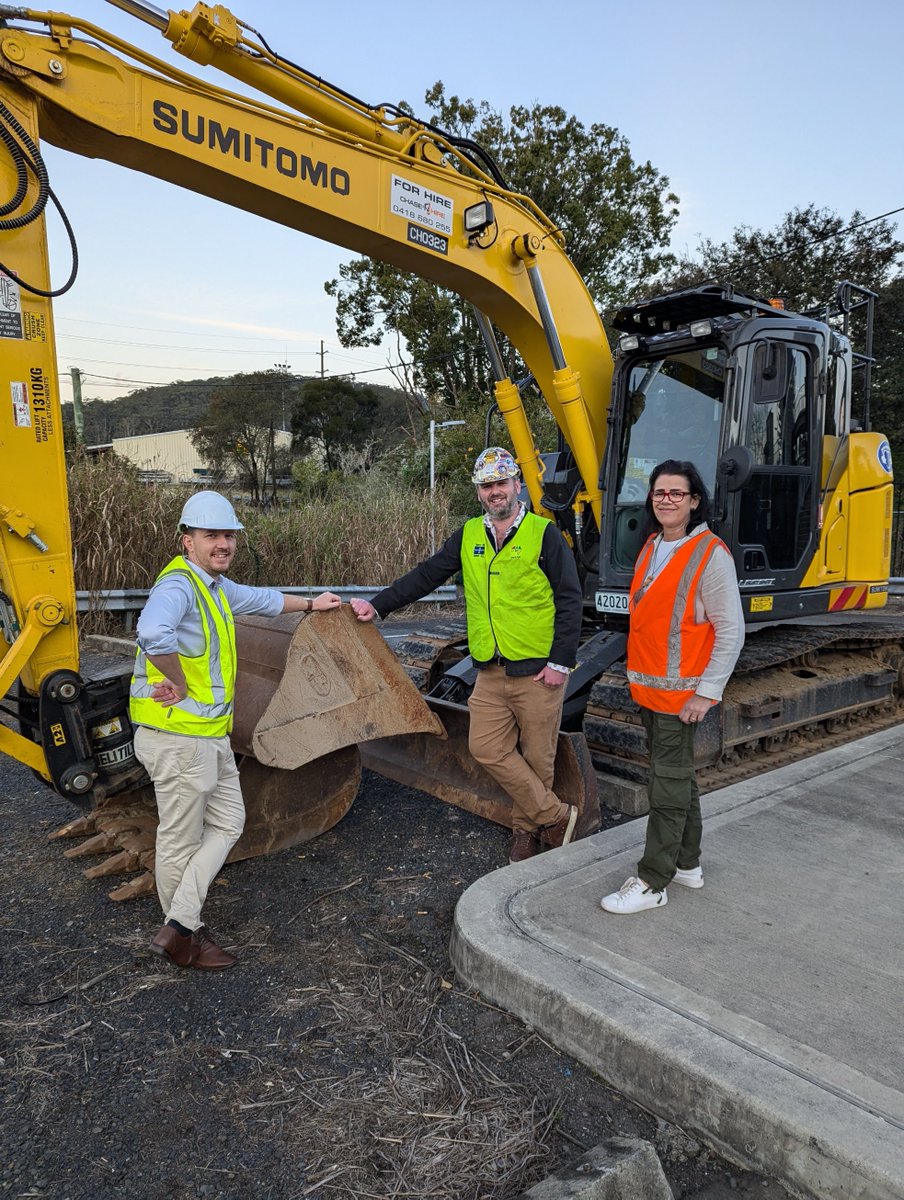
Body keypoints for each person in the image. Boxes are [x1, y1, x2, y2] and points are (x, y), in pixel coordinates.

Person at [130, 490, 341, 969]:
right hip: (178, 737)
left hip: (208, 736)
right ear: (188, 541)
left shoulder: (213, 586)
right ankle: (185, 932)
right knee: (180, 839)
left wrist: (312, 603)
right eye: (212, 535)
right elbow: (152, 633)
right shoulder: (179, 586)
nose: (223, 543)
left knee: (229, 822)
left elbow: (261, 600)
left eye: (228, 535)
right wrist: (177, 679)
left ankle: (178, 926)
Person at [351, 447, 584, 865]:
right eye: (487, 486)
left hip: (538, 671)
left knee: (537, 757)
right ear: (479, 493)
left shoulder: (543, 534)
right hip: (490, 671)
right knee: (487, 748)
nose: (495, 492)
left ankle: (524, 832)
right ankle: (555, 815)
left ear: (517, 485)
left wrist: (559, 663)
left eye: (501, 483)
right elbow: (426, 574)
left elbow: (570, 599)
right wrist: (380, 604)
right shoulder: (469, 535)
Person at [600, 460, 744, 915]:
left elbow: (731, 629)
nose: (666, 499)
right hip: (650, 691)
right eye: (660, 492)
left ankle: (652, 881)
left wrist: (707, 693)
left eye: (676, 493)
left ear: (694, 501)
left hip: (681, 696)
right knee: (679, 777)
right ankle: (687, 864)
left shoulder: (709, 553)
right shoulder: (650, 546)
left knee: (666, 785)